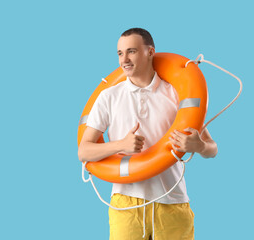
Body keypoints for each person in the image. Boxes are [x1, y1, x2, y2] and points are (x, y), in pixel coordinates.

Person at [78, 28, 218, 240]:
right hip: (126, 203)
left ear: (150, 52)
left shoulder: (175, 94)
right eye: (119, 53)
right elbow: (84, 151)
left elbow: (212, 149)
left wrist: (199, 147)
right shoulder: (109, 97)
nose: (124, 59)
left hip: (173, 201)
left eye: (131, 51)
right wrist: (119, 145)